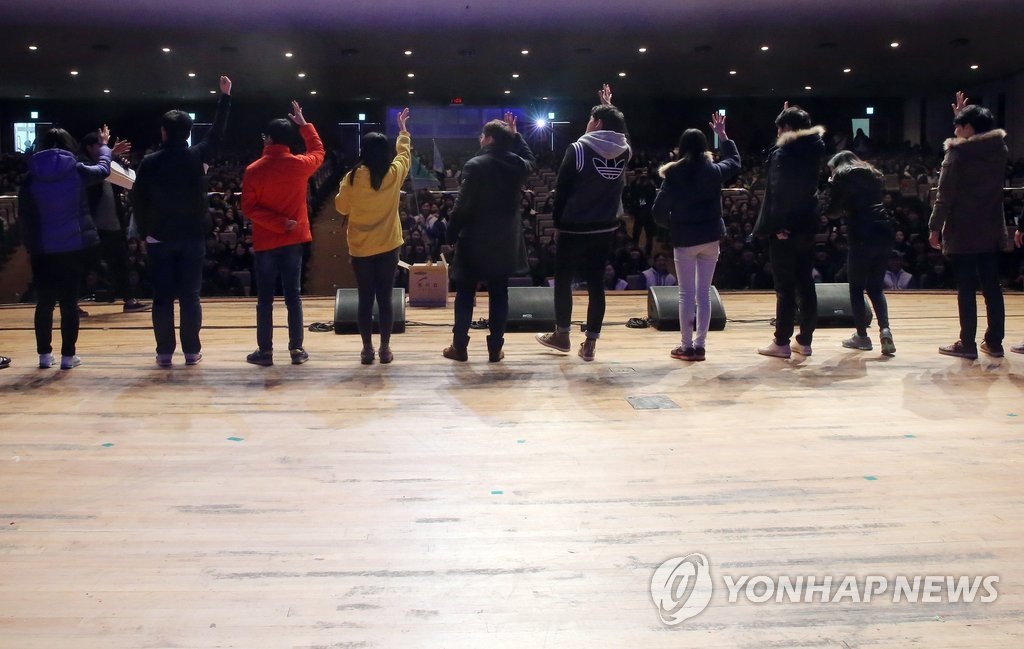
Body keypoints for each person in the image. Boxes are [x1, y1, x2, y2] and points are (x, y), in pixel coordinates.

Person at [133, 75, 232, 368]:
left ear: (163, 132)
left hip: (159, 237)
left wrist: (145, 232)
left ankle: (164, 353)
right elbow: (217, 134)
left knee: (162, 298)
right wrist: (225, 98)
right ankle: (191, 352)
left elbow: (138, 200)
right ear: (188, 133)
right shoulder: (196, 156)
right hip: (191, 236)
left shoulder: (149, 162)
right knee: (190, 297)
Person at [536, 84, 630, 362]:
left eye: (591, 119)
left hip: (574, 226)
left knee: (564, 281)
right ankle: (589, 345)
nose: (587, 123)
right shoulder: (625, 150)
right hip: (605, 227)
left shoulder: (578, 149)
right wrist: (611, 108)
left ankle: (562, 335)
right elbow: (622, 134)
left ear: (597, 123)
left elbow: (562, 191)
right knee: (596, 285)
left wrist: (557, 222)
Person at [19, 126, 113, 370]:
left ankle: (43, 356)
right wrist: (104, 146)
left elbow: (25, 218)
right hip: (73, 246)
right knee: (69, 303)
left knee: (44, 303)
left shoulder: (30, 176)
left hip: (42, 249)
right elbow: (104, 169)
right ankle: (68, 357)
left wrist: (30, 246)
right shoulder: (76, 170)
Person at [444, 113, 535, 362]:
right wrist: (516, 136)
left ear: (490, 139)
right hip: (504, 241)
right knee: (499, 294)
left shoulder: (476, 165)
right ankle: (495, 349)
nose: (480, 139)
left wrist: (451, 233)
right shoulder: (517, 164)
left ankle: (459, 347)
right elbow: (530, 159)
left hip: (474, 240)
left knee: (465, 293)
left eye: (482, 136)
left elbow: (462, 206)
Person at [242, 101, 325, 367]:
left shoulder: (253, 170)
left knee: (265, 299)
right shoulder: (300, 165)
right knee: (293, 296)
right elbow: (318, 151)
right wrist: (305, 125)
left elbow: (249, 208)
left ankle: (265, 351)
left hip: (266, 241)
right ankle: (296, 349)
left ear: (268, 139)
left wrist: (278, 223)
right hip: (293, 240)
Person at [653, 112, 740, 361]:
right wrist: (723, 136)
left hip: (684, 239)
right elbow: (735, 161)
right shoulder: (714, 171)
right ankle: (700, 345)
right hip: (711, 238)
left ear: (681, 148)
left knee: (686, 294)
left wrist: (674, 225)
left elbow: (658, 212)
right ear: (704, 147)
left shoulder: (673, 174)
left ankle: (686, 346)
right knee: (704, 294)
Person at [928, 92, 1009, 360]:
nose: (955, 130)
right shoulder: (999, 149)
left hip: (963, 230)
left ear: (969, 128)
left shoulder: (958, 154)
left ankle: (967, 343)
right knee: (992, 287)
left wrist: (935, 226)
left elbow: (945, 195)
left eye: (959, 125)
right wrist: (964, 116)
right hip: (991, 227)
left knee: (966, 288)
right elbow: (978, 143)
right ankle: (994, 342)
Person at [335, 108, 411, 364]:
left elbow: (341, 208)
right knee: (386, 299)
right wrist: (403, 131)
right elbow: (404, 156)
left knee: (365, 299)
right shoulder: (393, 173)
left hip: (361, 249)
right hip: (389, 245)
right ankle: (385, 349)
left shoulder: (352, 177)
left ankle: (367, 350)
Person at [753, 103, 825, 359]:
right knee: (805, 282)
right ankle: (804, 341)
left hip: (786, 227)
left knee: (784, 286)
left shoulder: (784, 153)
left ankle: (781, 342)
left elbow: (780, 192)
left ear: (786, 128)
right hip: (808, 223)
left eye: (779, 128)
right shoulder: (814, 147)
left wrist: (779, 225)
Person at [825, 151, 896, 355]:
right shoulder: (872, 174)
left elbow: (832, 212)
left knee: (856, 287)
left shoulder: (841, 176)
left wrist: (831, 186)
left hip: (862, 233)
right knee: (876, 287)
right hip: (884, 230)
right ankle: (885, 330)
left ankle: (862, 337)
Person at [80, 130, 146, 312]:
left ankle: (129, 301)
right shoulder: (83, 164)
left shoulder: (107, 162)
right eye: (100, 146)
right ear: (89, 147)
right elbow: (95, 175)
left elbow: (125, 184)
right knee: (84, 266)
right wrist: (111, 155)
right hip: (91, 227)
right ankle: (72, 306)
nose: (104, 149)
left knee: (122, 263)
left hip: (113, 224)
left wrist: (121, 164)